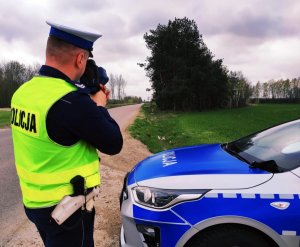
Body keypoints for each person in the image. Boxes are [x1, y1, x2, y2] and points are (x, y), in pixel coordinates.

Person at [10, 21, 123, 247]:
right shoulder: (71, 101)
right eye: (87, 59)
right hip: (66, 210)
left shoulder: (22, 93)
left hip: (35, 203)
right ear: (80, 59)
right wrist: (99, 105)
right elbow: (113, 143)